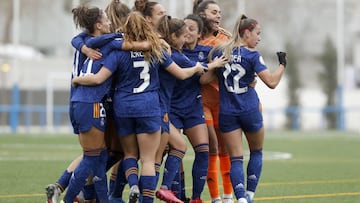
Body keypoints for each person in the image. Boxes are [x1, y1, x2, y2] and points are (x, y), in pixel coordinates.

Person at [71, 12, 205, 203]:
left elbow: (99, 77)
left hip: (123, 108)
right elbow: (182, 74)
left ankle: (132, 185)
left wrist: (78, 79)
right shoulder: (157, 49)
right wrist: (196, 68)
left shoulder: (118, 51)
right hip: (149, 107)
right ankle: (145, 199)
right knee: (149, 160)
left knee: (129, 154)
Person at [201, 15, 287, 203]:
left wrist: (217, 70)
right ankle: (249, 195)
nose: (259, 38)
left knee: (236, 159)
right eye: (257, 33)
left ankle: (239, 198)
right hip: (249, 109)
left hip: (227, 112)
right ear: (246, 33)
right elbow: (271, 82)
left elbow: (204, 80)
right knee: (256, 152)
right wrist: (282, 65)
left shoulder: (220, 52)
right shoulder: (252, 55)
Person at [156, 15, 227, 203]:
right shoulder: (169, 52)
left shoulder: (206, 51)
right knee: (174, 150)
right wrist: (211, 65)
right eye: (184, 27)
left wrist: (228, 41)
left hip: (194, 108)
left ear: (199, 34)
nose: (187, 31)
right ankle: (175, 194)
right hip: (171, 109)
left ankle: (196, 198)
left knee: (203, 150)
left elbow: (207, 75)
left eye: (192, 28)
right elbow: (195, 69)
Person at [194, 1, 233, 202]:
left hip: (223, 101)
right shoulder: (191, 36)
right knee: (212, 146)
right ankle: (216, 198)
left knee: (225, 148)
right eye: (214, 12)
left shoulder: (226, 38)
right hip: (201, 102)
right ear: (202, 14)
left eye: (220, 13)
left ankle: (227, 196)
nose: (219, 16)